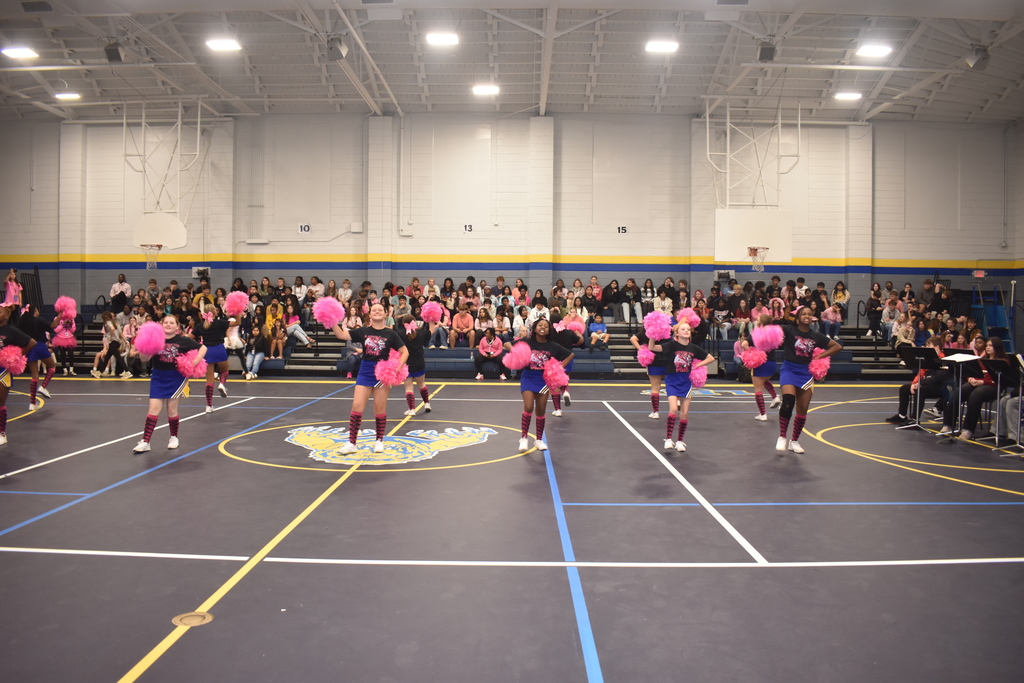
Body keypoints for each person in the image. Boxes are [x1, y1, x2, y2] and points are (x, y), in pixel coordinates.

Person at [328, 302, 409, 454]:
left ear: (386, 314)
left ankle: (379, 440)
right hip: (365, 372)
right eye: (374, 310)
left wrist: (396, 369)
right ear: (370, 314)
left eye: (380, 310)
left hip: (381, 376)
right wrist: (331, 320)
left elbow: (405, 352)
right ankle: (352, 443)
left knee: (379, 408)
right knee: (357, 406)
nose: (377, 311)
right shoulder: (363, 331)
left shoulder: (391, 334)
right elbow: (341, 335)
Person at [132, 315, 207, 453]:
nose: (168, 324)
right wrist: (143, 346)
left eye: (172, 323)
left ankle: (174, 438)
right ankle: (146, 442)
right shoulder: (156, 339)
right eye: (165, 322)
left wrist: (195, 362)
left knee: (172, 410)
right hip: (158, 377)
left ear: (177, 326)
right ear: (161, 325)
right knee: (153, 410)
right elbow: (144, 359)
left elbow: (203, 348)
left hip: (176, 378)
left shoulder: (183, 340)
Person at [776, 306, 842, 454]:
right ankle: (782, 436)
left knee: (802, 410)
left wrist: (820, 356)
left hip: (805, 373)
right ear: (798, 318)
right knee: (788, 401)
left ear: (812, 318)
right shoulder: (789, 330)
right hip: (789, 369)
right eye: (803, 314)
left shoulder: (816, 336)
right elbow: (771, 330)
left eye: (809, 314)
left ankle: (794, 441)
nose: (806, 316)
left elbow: (837, 346)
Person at [647, 321, 714, 452]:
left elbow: (710, 358)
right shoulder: (671, 345)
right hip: (672, 380)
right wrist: (652, 335)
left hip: (686, 382)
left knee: (684, 413)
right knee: (673, 409)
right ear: (677, 333)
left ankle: (680, 441)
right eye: (683, 329)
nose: (686, 331)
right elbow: (652, 347)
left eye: (688, 329)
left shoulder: (693, 348)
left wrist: (697, 365)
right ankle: (668, 439)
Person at [509, 318, 573, 452]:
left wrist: (559, 368)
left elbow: (570, 355)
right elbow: (507, 344)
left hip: (543, 381)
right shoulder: (527, 341)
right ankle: (524, 438)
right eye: (540, 325)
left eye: (546, 326)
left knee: (541, 409)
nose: (543, 327)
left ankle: (538, 440)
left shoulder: (553, 346)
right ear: (535, 328)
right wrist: (518, 353)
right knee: (528, 406)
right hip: (528, 377)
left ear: (549, 330)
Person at [939, 337, 1008, 441]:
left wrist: (983, 382)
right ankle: (948, 424)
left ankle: (968, 429)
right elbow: (973, 371)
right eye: (987, 345)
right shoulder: (982, 360)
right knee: (958, 391)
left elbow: (1001, 381)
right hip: (977, 383)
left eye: (990, 346)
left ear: (997, 348)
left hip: (993, 386)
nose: (988, 348)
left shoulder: (1003, 362)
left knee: (976, 395)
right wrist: (970, 378)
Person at [886, 336, 948, 426]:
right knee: (904, 389)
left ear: (937, 347)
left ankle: (914, 419)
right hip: (926, 383)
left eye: (929, 346)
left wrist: (921, 384)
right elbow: (921, 373)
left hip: (939, 386)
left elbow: (937, 378)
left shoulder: (942, 359)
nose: (927, 348)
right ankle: (901, 416)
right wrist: (914, 384)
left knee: (920, 391)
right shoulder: (928, 358)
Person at [0, 304, 36, 445]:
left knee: (0, 402)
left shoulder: (12, 331)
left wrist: (17, 356)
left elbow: (32, 342)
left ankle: (1, 433)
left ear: (7, 315)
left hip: (3, 371)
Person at [195, 304, 239, 414]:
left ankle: (208, 405)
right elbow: (237, 323)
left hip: (207, 351)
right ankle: (222, 384)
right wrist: (238, 311)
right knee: (225, 371)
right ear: (215, 312)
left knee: (209, 381)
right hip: (219, 349)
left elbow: (190, 337)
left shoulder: (200, 325)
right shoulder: (220, 323)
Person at [17, 304, 60, 410]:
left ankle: (32, 403)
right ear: (35, 311)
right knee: (52, 366)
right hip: (39, 345)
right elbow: (53, 325)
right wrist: (60, 314)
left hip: (29, 348)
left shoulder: (22, 323)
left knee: (34, 376)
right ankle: (43, 387)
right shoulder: (38, 320)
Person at [744, 316, 782, 421]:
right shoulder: (774, 334)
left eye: (757, 320)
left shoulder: (756, 333)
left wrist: (752, 353)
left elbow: (744, 344)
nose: (756, 321)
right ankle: (775, 397)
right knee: (764, 380)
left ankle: (763, 414)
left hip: (760, 363)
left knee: (758, 389)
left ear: (761, 323)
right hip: (772, 363)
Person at [398, 314, 437, 415]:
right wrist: (431, 318)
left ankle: (412, 409)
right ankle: (427, 403)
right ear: (414, 321)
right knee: (422, 384)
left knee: (408, 388)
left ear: (403, 324)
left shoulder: (400, 334)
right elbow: (432, 331)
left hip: (406, 364)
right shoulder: (422, 332)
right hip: (419, 362)